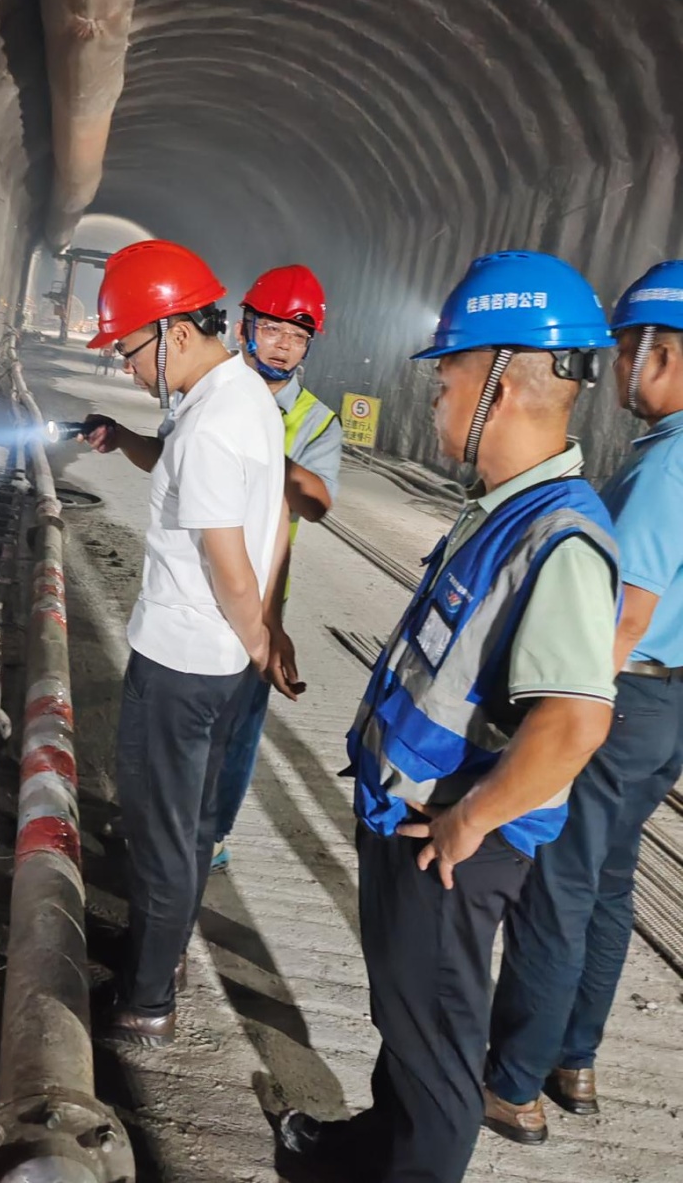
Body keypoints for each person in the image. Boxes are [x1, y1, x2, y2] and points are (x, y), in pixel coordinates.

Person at [279, 250, 620, 1183]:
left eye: (447, 377)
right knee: (408, 1020)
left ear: (500, 385)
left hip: (456, 844)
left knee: (437, 1060)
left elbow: (574, 723)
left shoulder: (561, 539)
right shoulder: (504, 510)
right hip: (415, 818)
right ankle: (366, 1153)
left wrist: (470, 820)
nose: (433, 395)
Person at [483, 259, 683, 1144]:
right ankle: (575, 1059)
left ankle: (514, 1084)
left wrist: (561, 719)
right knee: (606, 886)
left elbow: (625, 613)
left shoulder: (665, 469)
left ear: (661, 353)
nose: (620, 370)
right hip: (666, 710)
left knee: (557, 889)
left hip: (621, 697)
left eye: (629, 350)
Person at [80, 239, 292, 1047]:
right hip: (222, 664)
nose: (128, 366)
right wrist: (258, 642)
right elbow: (270, 524)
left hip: (183, 661)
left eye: (130, 349)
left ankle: (146, 1002)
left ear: (173, 332)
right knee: (195, 826)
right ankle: (158, 958)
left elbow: (229, 563)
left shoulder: (210, 425)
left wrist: (258, 637)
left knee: (160, 833)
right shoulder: (243, 397)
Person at [211, 265, 341, 871]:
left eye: (298, 335)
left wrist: (267, 448)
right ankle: (166, 817)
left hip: (260, 593)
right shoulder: (210, 387)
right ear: (245, 327)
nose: (284, 345)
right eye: (272, 329)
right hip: (192, 582)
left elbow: (317, 504)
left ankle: (212, 832)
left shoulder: (315, 420)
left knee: (237, 723)